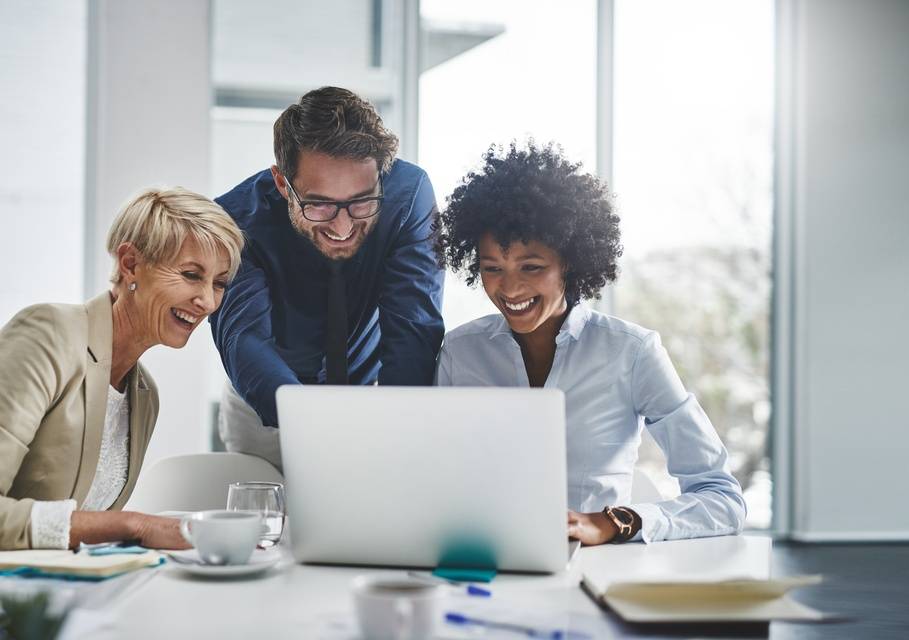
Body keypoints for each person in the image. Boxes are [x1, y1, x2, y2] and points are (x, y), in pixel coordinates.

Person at [434, 142, 746, 545]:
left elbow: (722, 498)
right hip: (483, 560)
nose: (509, 288)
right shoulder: (461, 353)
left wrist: (610, 522)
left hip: (594, 569)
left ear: (570, 262)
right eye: (492, 268)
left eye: (532, 267)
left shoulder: (631, 353)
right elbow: (436, 477)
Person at [211, 87, 444, 469]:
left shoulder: (408, 196)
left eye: (361, 201)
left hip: (373, 398)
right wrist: (317, 428)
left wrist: (399, 429)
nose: (342, 225)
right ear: (283, 183)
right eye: (318, 203)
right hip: (266, 412)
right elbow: (245, 339)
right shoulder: (233, 220)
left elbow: (414, 328)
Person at [0, 187, 244, 550]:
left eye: (219, 283)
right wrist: (132, 525)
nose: (208, 301)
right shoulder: (49, 334)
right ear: (130, 264)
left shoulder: (145, 394)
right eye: (192, 275)